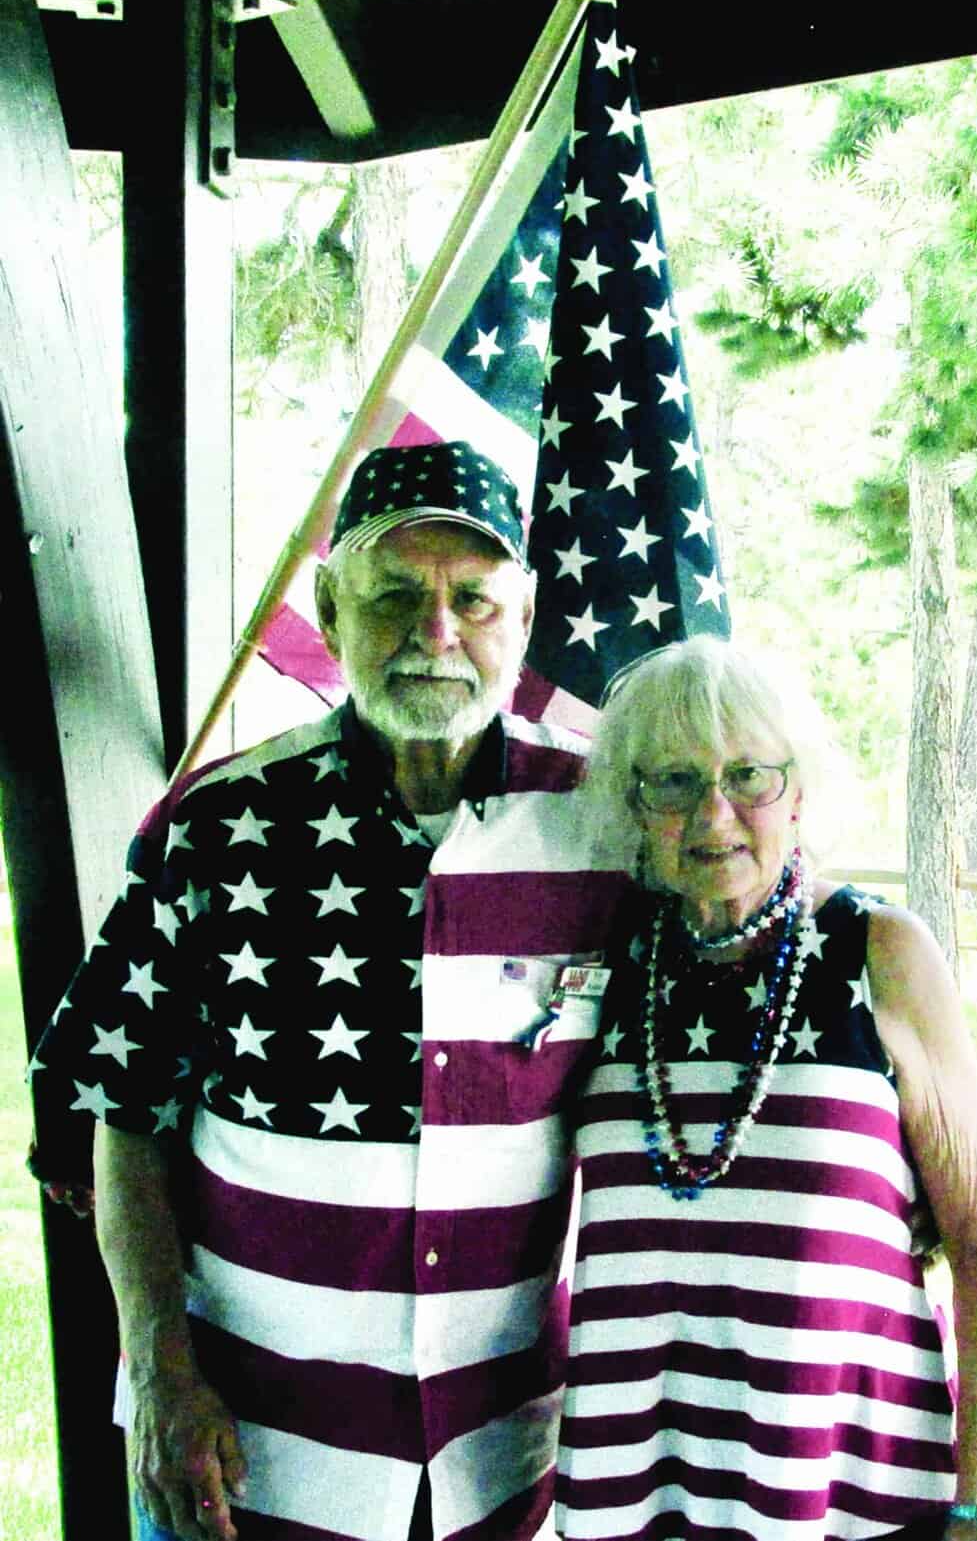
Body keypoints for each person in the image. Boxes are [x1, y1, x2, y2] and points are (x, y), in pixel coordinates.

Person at [29, 439, 632, 1541]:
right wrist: (161, 1376)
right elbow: (120, 1112)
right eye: (395, 593)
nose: (435, 631)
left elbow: (749, 989)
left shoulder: (607, 829)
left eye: (473, 600)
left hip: (501, 1461)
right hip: (250, 1459)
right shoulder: (219, 828)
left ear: (528, 618)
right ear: (329, 606)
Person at [554, 637, 977, 1541]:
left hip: (850, 1490)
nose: (714, 813)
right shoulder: (608, 964)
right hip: (639, 1490)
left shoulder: (879, 952)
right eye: (675, 781)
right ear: (635, 802)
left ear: (798, 792)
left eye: (748, 777)